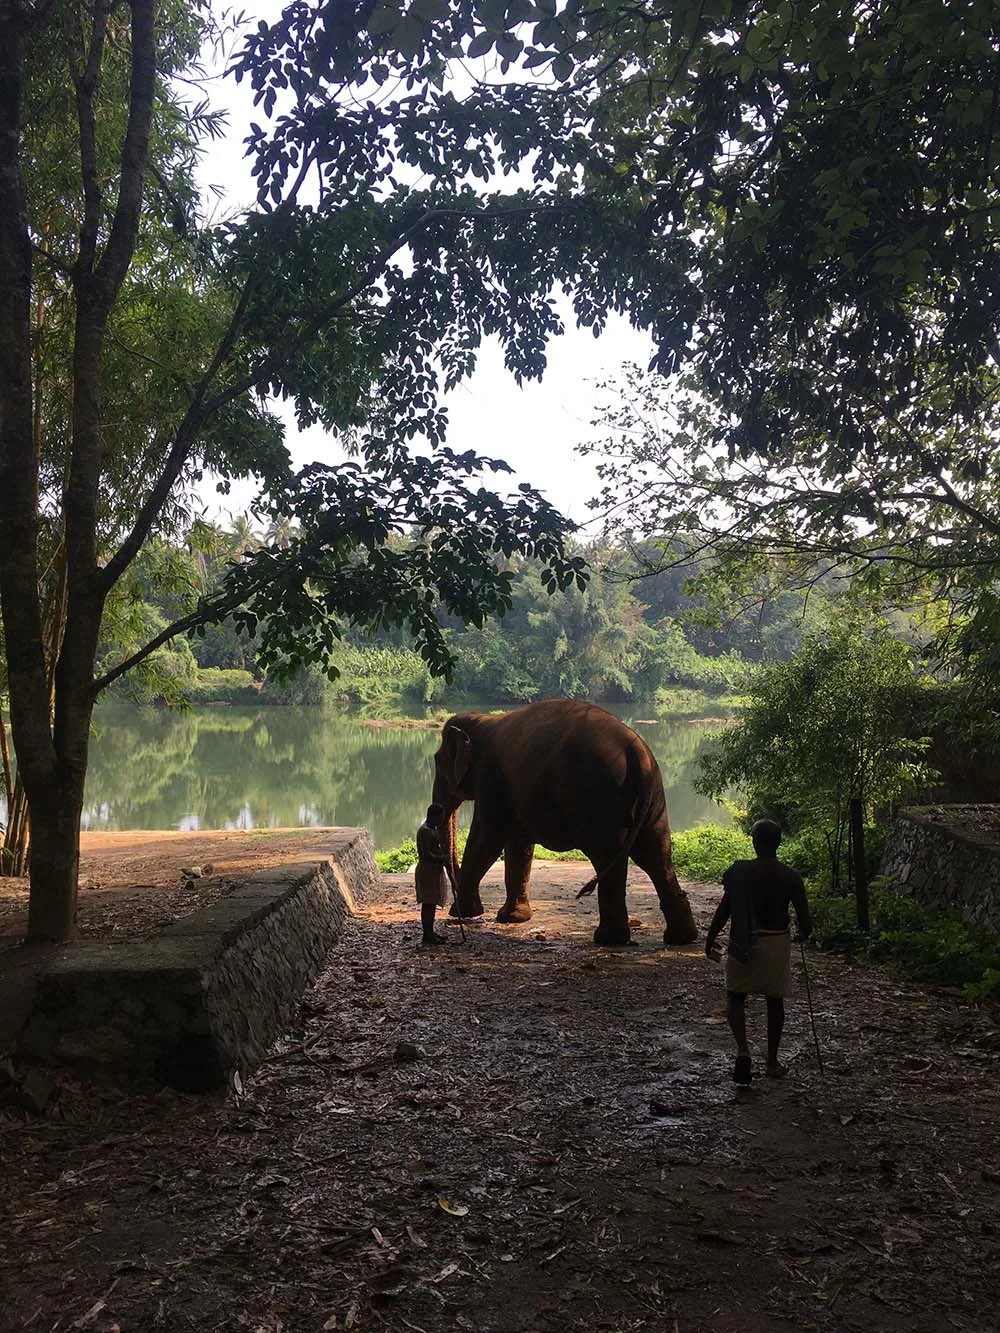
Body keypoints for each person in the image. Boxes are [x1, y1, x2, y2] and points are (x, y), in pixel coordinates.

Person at [705, 818, 812, 1085]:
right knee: (774, 1001)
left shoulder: (740, 873)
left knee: (735, 997)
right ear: (778, 844)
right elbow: (805, 919)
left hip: (743, 942)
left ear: (754, 842)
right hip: (776, 942)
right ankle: (772, 1062)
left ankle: (743, 1050)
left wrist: (710, 936)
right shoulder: (791, 877)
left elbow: (725, 909)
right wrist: (804, 935)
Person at [415, 803, 457, 947]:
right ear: (433, 816)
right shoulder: (425, 831)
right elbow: (426, 854)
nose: (442, 820)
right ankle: (427, 935)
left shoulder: (433, 829)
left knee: (432, 904)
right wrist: (442, 858)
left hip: (433, 871)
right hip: (427, 871)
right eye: (440, 817)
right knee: (428, 904)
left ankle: (430, 932)